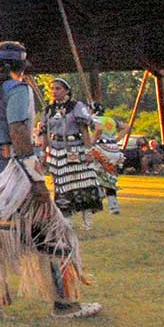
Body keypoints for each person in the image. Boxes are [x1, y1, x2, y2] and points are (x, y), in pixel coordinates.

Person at [0, 41, 99, 320]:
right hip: (11, 171)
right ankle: (64, 304)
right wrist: (35, 180)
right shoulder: (18, 89)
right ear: (21, 67)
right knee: (56, 232)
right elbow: (19, 131)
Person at [41, 79, 105, 227]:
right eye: (52, 89)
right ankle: (66, 216)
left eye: (58, 88)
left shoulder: (76, 106)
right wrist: (44, 154)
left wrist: (89, 150)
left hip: (75, 148)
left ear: (66, 90)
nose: (54, 91)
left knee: (82, 179)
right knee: (61, 183)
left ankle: (86, 214)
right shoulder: (49, 110)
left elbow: (85, 130)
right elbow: (45, 134)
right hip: (57, 150)